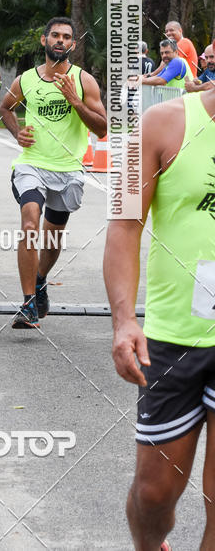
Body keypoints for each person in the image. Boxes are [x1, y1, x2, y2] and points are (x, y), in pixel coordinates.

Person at [104, 86, 215, 551]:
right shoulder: (159, 124)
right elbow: (124, 224)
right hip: (173, 341)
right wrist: (124, 320)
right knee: (153, 497)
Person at [0, 17, 107, 328]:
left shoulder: (84, 81)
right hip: (31, 165)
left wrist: (75, 100)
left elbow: (102, 128)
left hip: (68, 170)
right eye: (55, 35)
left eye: (67, 37)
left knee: (53, 237)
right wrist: (17, 132)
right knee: (30, 222)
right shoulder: (26, 80)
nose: (60, 40)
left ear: (73, 44)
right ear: (44, 40)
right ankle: (28, 303)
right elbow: (5, 108)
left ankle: (40, 279)